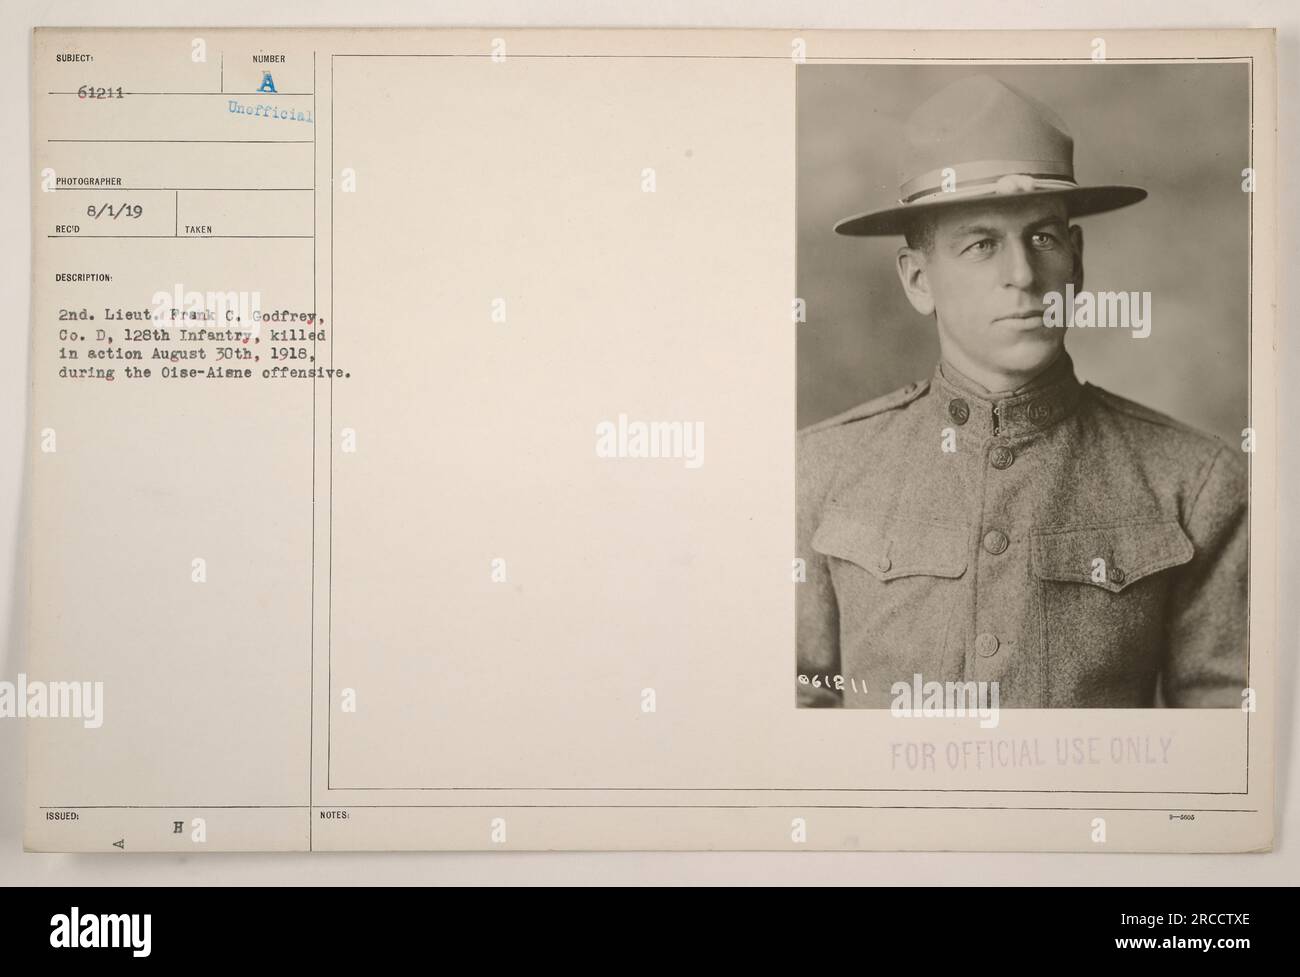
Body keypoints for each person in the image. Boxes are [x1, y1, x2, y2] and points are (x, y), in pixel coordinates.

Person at [797, 75, 1248, 708]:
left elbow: (1224, 749)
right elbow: (797, 708)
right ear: (919, 279)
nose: (1023, 276)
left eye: (1043, 237)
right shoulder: (819, 472)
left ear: (1078, 259)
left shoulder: (1195, 481)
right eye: (981, 245)